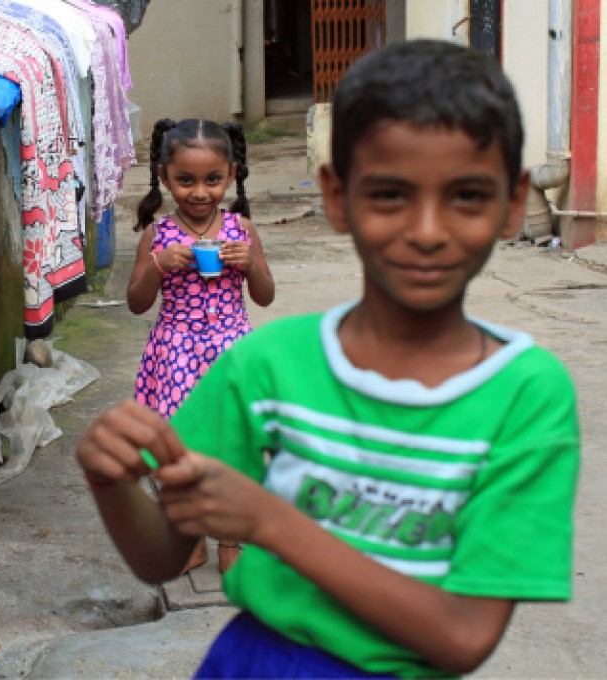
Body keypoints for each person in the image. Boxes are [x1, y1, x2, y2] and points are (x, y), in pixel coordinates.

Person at [77, 39, 580, 679]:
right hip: (249, 662)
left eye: (466, 195)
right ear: (338, 198)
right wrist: (111, 483)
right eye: (390, 193)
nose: (426, 229)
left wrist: (271, 524)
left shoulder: (525, 393)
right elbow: (160, 554)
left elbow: (463, 637)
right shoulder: (263, 367)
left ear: (512, 206)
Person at [128, 118, 276, 574]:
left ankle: (231, 540)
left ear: (231, 175)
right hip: (175, 353)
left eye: (213, 180)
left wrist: (250, 262)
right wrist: (158, 265)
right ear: (164, 177)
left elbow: (265, 295)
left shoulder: (241, 229)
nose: (200, 192)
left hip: (232, 352)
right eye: (185, 180)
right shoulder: (157, 236)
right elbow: (137, 302)